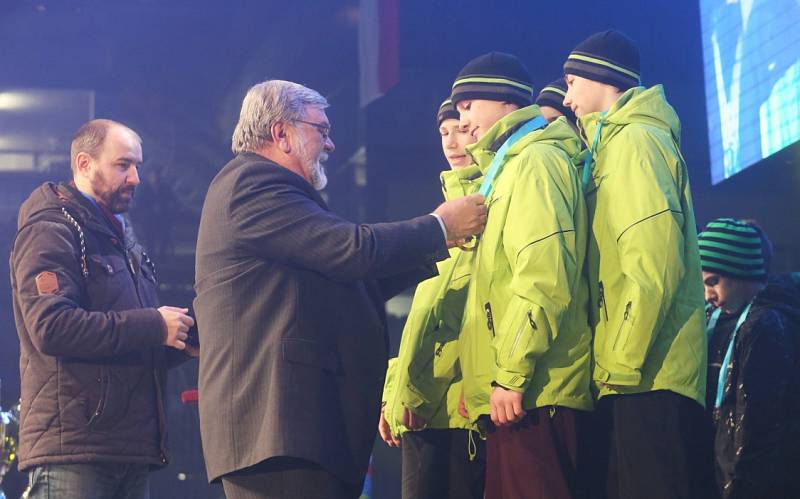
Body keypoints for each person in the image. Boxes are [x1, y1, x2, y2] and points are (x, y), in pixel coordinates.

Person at [192, 80, 487, 499]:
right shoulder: (254, 186)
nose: (330, 145)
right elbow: (352, 251)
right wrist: (439, 226)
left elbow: (346, 277)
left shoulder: (266, 191)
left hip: (293, 435)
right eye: (322, 130)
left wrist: (440, 243)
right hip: (278, 431)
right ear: (281, 133)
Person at [405, 52, 593, 499]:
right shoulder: (509, 168)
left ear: (504, 99)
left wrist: (511, 374)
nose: (463, 123)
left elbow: (543, 278)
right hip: (519, 390)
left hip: (536, 388)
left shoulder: (534, 162)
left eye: (468, 106)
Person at [9, 119, 196, 499]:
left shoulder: (126, 243)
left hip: (128, 450)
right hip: (74, 454)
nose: (136, 178)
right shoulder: (50, 231)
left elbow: (122, 341)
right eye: (123, 165)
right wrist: (154, 326)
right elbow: (52, 327)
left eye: (138, 166)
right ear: (83, 164)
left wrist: (176, 341)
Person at [562, 30, 709, 499]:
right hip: (639, 368)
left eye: (570, 82)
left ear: (602, 78)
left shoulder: (635, 143)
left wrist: (622, 360)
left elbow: (652, 261)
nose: (566, 99)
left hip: (649, 371)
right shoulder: (615, 146)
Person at [378, 98, 485, 499]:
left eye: (461, 128)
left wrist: (411, 396)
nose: (453, 142)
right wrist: (394, 393)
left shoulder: (482, 211)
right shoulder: (447, 216)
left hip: (452, 413)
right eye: (444, 132)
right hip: (424, 410)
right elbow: (422, 321)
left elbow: (464, 319)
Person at [699, 218, 800, 499]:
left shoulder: (765, 326)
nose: (708, 295)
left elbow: (758, 427)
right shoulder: (726, 320)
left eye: (713, 281)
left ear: (742, 273)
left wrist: (738, 488)